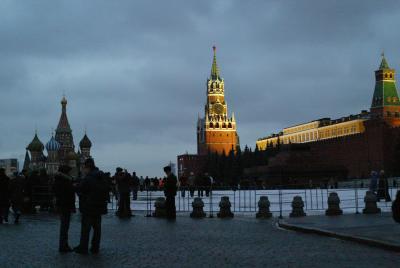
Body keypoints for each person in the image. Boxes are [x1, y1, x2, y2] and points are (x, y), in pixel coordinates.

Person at [74, 158, 109, 255]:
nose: (84, 170)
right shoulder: (102, 176)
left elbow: (81, 188)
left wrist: (76, 186)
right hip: (100, 206)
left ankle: (83, 247)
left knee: (86, 228)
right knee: (97, 229)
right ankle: (95, 247)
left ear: (88, 167)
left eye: (84, 168)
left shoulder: (89, 178)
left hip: (89, 206)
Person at [54, 165, 76, 252]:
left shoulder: (59, 180)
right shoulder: (65, 181)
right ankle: (63, 246)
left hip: (62, 205)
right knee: (65, 227)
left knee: (64, 226)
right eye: (69, 171)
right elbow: (69, 193)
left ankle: (64, 245)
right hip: (65, 205)